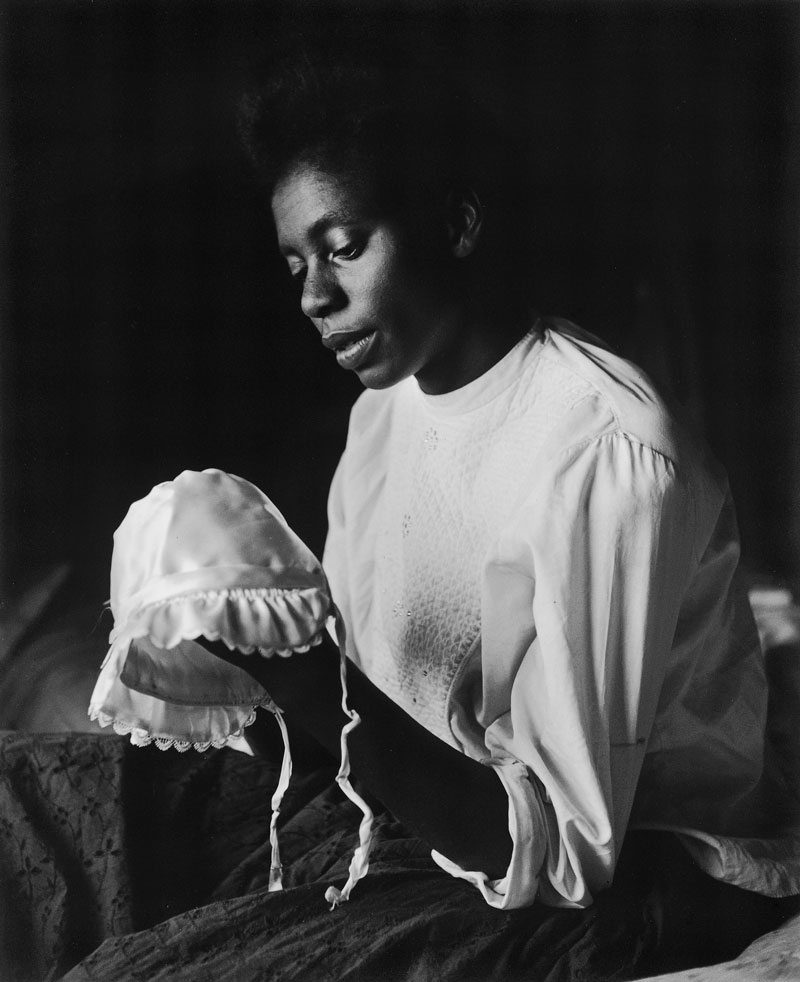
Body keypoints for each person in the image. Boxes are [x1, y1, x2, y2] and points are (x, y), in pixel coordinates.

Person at [3, 41, 799, 982]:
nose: (313, 295)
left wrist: (312, 684)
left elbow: (571, 852)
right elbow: (370, 711)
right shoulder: (383, 415)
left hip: (629, 872)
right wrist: (229, 653)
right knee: (26, 798)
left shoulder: (607, 456)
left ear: (455, 222)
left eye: (344, 249)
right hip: (422, 812)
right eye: (295, 261)